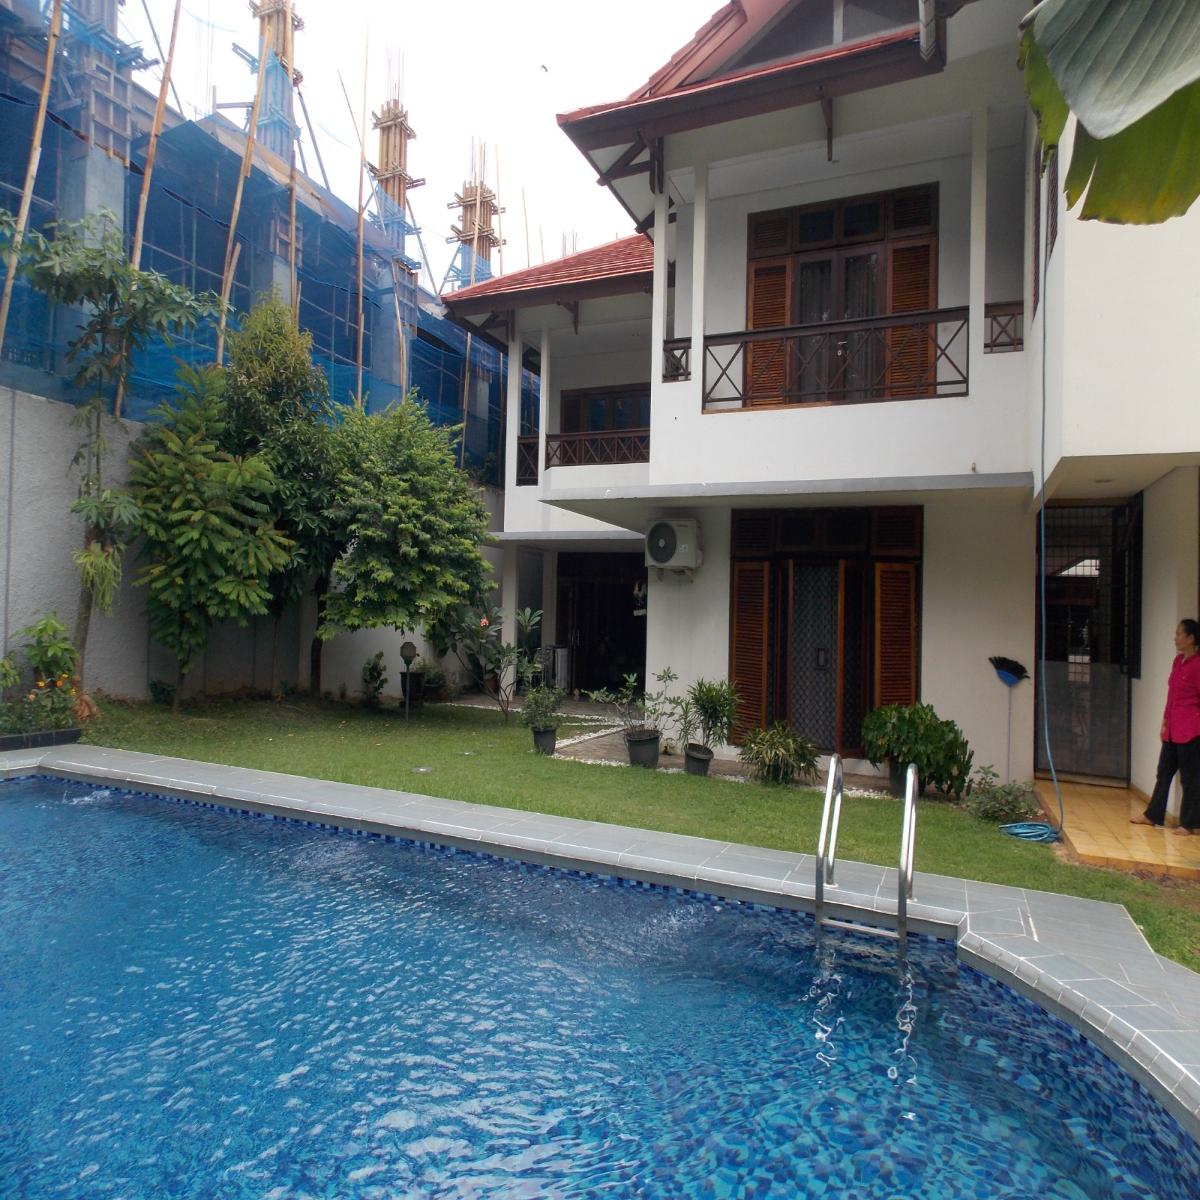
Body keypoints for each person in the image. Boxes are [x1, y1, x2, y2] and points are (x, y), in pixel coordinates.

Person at [1133, 619, 1200, 835]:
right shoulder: (1178, 661)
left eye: (1179, 633)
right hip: (1173, 728)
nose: (1175, 637)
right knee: (1164, 772)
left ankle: (1189, 824)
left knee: (1190, 778)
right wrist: (1164, 722)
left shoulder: (1198, 665)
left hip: (1191, 730)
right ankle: (1153, 814)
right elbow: (1172, 695)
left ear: (1191, 638)